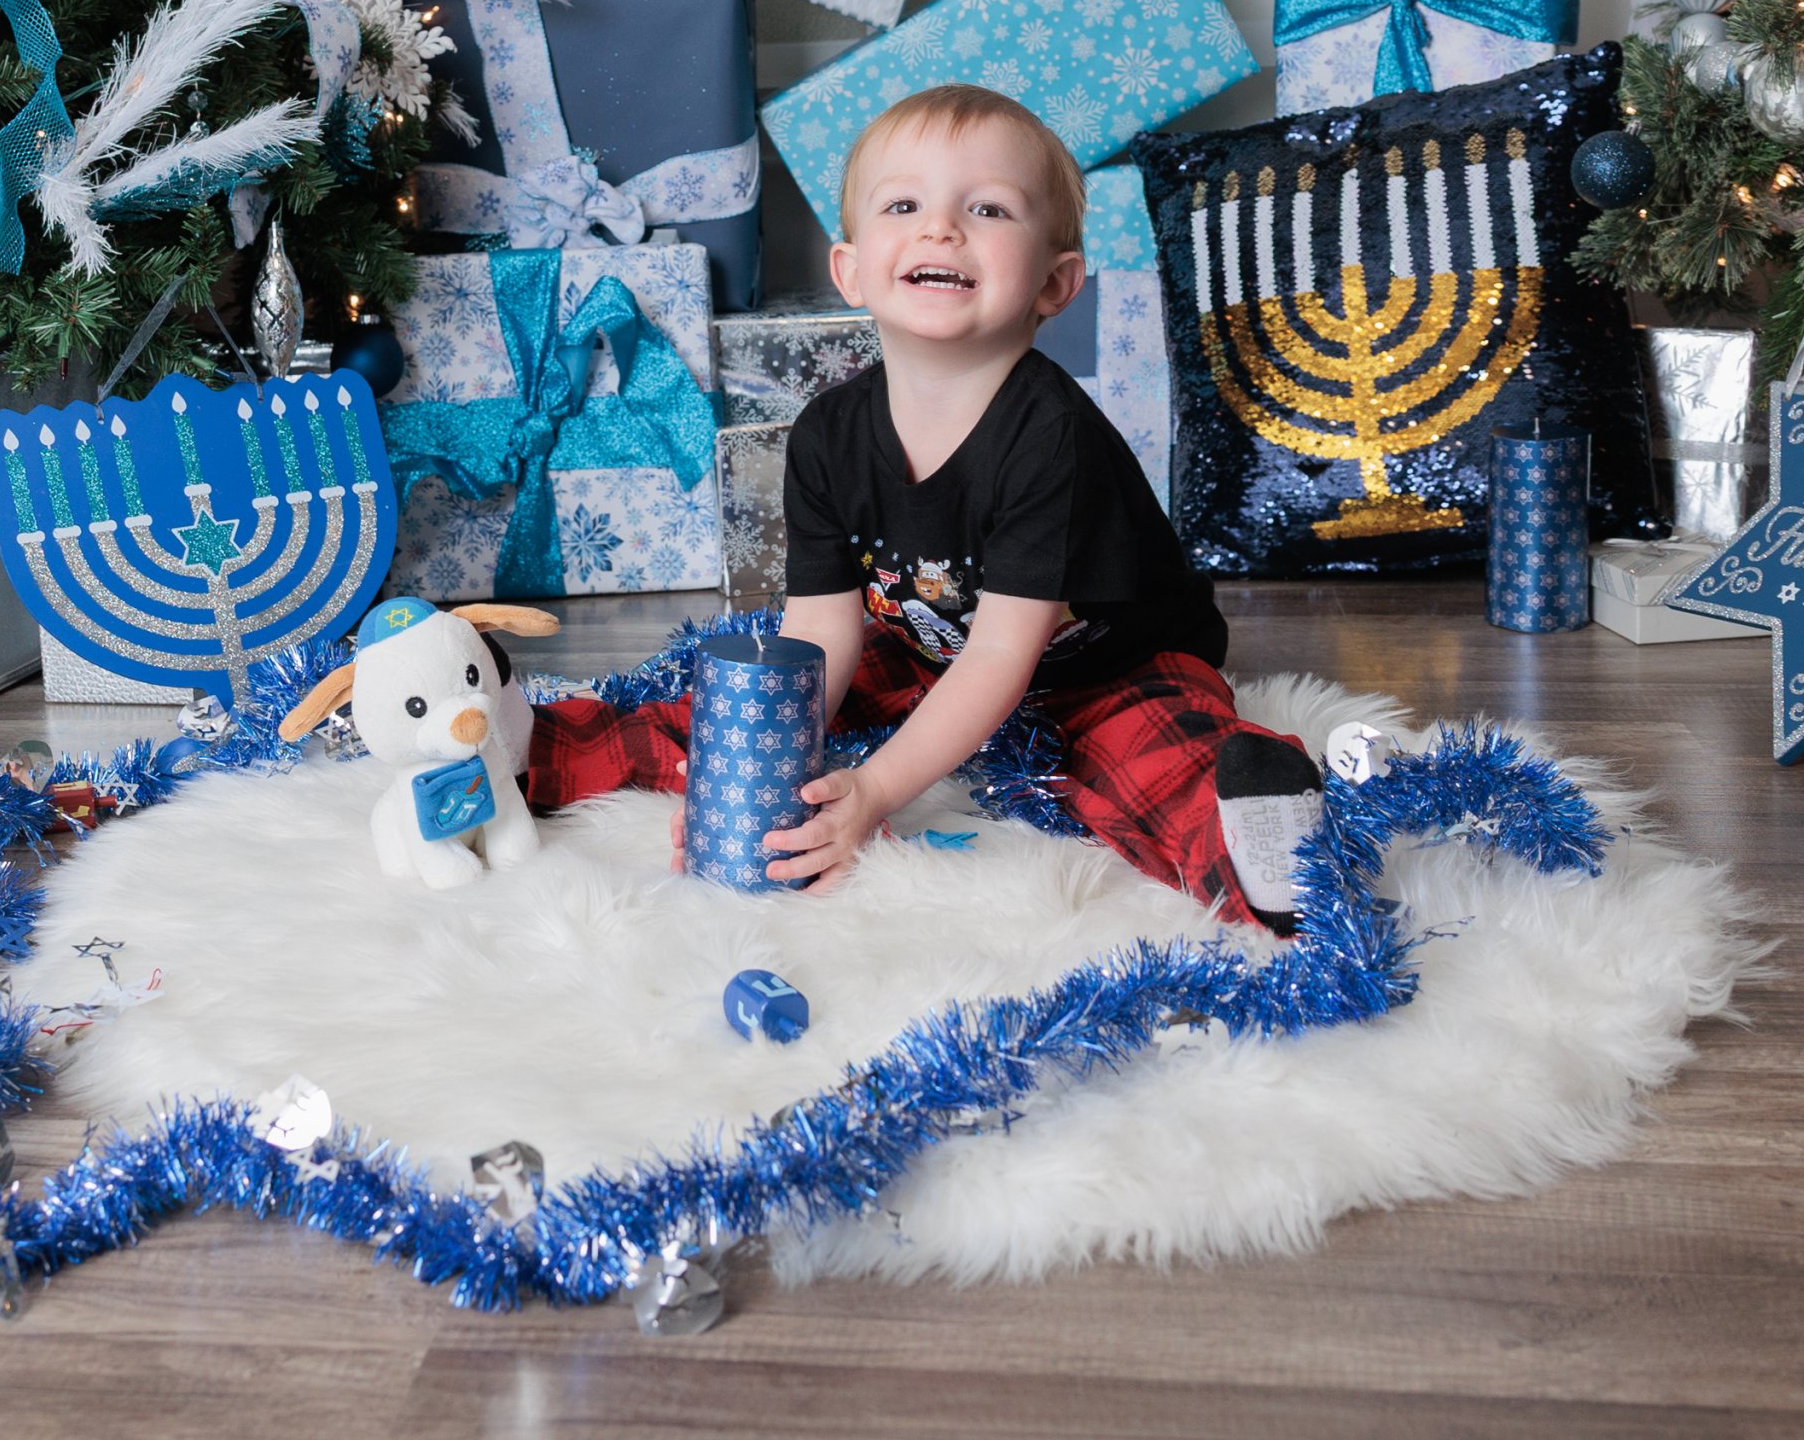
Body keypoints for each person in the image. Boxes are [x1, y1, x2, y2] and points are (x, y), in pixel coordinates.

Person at [527, 84, 1328, 929]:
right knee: (749, 706)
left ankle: (1267, 844)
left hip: (1108, 666)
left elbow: (1002, 657)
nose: (941, 228)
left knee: (1150, 762)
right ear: (850, 270)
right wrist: (752, 770)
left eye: (988, 209)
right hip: (931, 647)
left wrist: (872, 790)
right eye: (904, 205)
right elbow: (822, 630)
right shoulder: (827, 434)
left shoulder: (1050, 435)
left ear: (1055, 283)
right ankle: (538, 747)